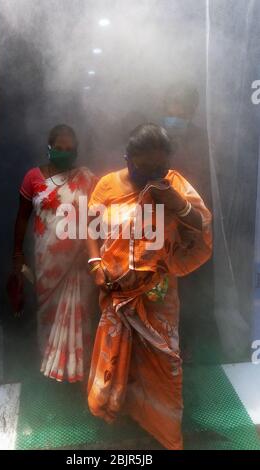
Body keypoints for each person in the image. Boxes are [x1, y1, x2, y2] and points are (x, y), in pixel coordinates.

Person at [86, 123, 212, 450]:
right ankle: (123, 414)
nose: (153, 172)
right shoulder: (108, 185)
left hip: (158, 294)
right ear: (128, 159)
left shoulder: (173, 184)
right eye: (145, 166)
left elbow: (201, 227)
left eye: (160, 166)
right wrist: (95, 263)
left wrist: (175, 202)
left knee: (165, 363)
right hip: (116, 293)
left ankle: (164, 429)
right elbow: (91, 225)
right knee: (120, 361)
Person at [12, 124, 96, 383]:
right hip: (46, 261)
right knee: (47, 313)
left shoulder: (86, 178)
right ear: (49, 147)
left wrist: (93, 251)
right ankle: (50, 370)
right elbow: (22, 218)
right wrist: (17, 254)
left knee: (80, 314)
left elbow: (96, 218)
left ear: (77, 151)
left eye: (69, 149)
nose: (63, 152)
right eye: (58, 148)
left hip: (78, 262)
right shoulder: (33, 178)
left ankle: (76, 371)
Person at [162, 84, 214, 362]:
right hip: (158, 221)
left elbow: (205, 179)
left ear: (192, 110)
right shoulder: (155, 137)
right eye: (172, 104)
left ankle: (186, 346)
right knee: (159, 283)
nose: (176, 111)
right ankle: (160, 345)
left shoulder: (200, 139)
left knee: (189, 284)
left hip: (189, 219)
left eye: (182, 106)